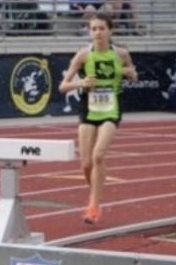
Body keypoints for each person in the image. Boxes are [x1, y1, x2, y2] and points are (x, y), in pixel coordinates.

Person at [57, 14, 138, 224]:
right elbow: (63, 87)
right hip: (88, 109)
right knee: (85, 164)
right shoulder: (83, 55)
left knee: (98, 156)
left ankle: (93, 205)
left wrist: (129, 72)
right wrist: (81, 83)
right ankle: (95, 194)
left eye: (101, 28)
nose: (97, 33)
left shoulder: (121, 53)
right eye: (93, 29)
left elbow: (133, 75)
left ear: (110, 31)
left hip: (111, 109)